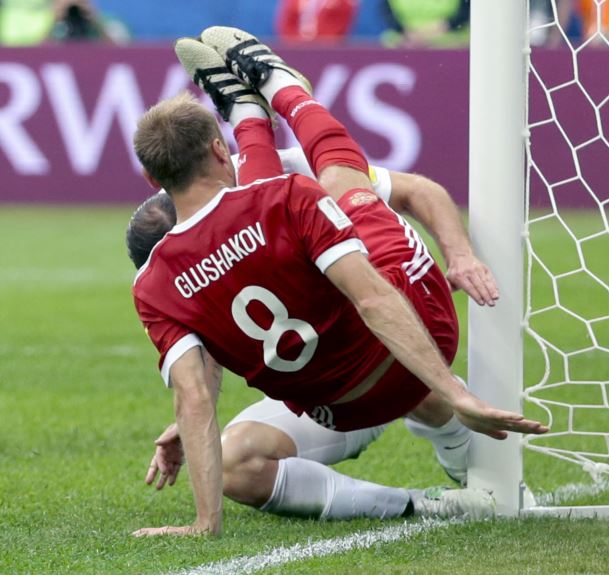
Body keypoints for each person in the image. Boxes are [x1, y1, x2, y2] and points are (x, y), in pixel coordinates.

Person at [129, 27, 548, 537]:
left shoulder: (152, 284)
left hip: (336, 406)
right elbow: (372, 298)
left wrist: (204, 522)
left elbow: (194, 395)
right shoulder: (287, 192)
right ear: (220, 152)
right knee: (342, 183)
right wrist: (455, 391)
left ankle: (246, 109)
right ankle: (281, 90)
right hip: (420, 337)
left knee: (320, 205)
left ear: (152, 180)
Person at [129, 153, 494, 515]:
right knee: (234, 465)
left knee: (417, 379)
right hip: (325, 398)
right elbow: (205, 338)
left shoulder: (288, 169)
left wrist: (460, 256)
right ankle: (422, 506)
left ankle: (464, 450)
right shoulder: (176, 264)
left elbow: (417, 190)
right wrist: (192, 421)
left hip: (382, 343)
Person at [276, 0, 358, 43]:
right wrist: (297, 44)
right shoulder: (293, 2)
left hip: (326, 50)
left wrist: (316, 43)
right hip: (295, 50)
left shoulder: (343, 3)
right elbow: (286, 24)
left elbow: (337, 28)